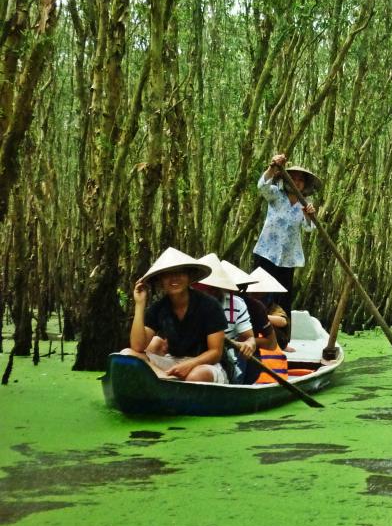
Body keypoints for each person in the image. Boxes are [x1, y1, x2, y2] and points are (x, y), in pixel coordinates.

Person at [124, 247, 228, 383]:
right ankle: (166, 379)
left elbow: (215, 352)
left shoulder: (210, 305)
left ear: (189, 277)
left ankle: (165, 381)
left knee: (195, 376)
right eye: (168, 274)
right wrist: (139, 304)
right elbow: (137, 347)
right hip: (172, 363)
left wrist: (190, 364)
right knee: (127, 354)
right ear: (161, 280)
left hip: (205, 365)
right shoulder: (159, 308)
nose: (174, 278)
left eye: (180, 273)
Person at [252, 152, 320, 322]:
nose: (296, 182)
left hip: (288, 258)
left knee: (284, 296)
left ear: (304, 185)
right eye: (293, 178)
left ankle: (283, 339)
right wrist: (272, 167)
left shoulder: (305, 204)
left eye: (300, 180)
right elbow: (262, 186)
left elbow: (309, 228)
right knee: (260, 293)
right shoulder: (276, 194)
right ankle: (255, 331)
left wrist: (309, 215)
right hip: (266, 252)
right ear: (285, 179)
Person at [194, 254, 258, 384]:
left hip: (222, 361)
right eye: (202, 288)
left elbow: (249, 338)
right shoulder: (182, 301)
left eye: (212, 288)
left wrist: (248, 345)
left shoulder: (237, 304)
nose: (207, 293)